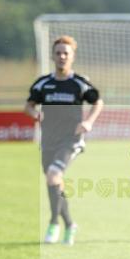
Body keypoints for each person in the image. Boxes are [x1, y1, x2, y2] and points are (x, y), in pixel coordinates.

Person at [25, 35, 103, 245]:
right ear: (53, 55)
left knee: (53, 175)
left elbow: (98, 102)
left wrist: (89, 122)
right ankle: (70, 224)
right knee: (54, 182)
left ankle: (53, 224)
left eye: (65, 53)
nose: (61, 56)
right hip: (48, 140)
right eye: (58, 53)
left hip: (71, 139)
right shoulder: (43, 84)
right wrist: (34, 113)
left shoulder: (79, 83)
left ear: (72, 57)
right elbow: (29, 104)